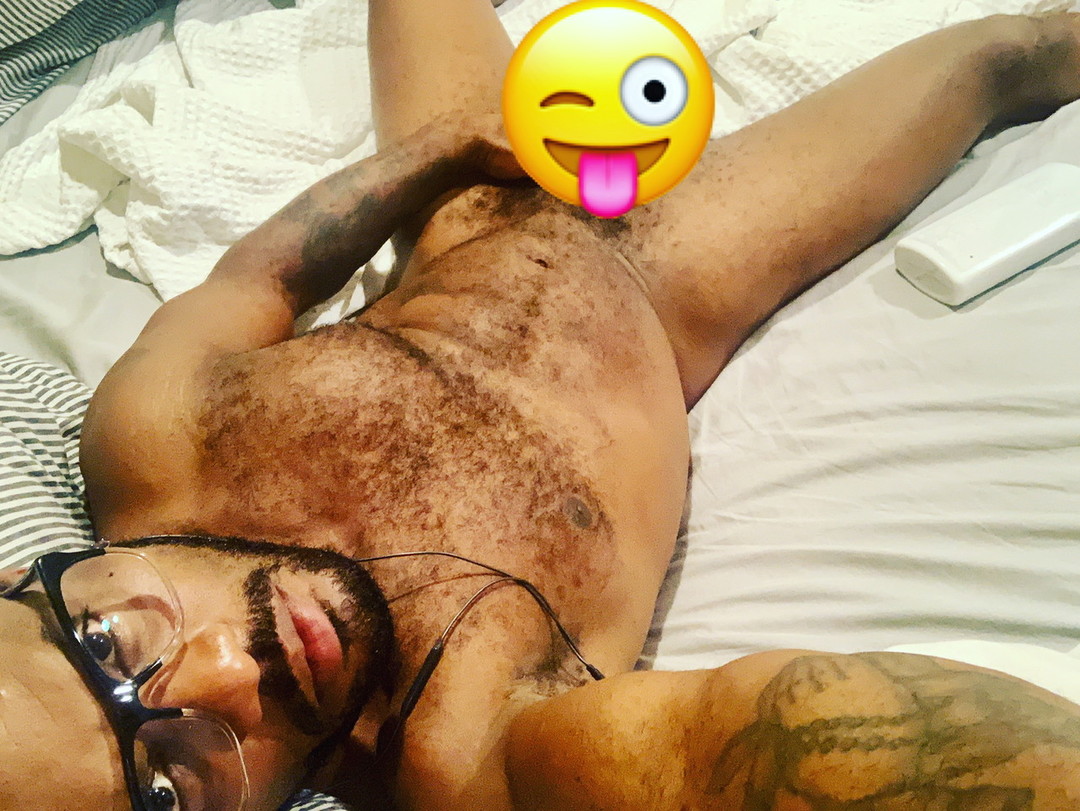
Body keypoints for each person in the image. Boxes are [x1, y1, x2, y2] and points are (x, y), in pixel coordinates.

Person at [4, 2, 1080, 809]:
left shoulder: (148, 442)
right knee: (1000, 56)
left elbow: (263, 277)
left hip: (465, 200)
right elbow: (719, 752)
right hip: (671, 279)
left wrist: (442, 153)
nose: (231, 668)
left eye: (107, 640)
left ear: (24, 581)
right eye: (167, 785)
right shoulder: (466, 748)